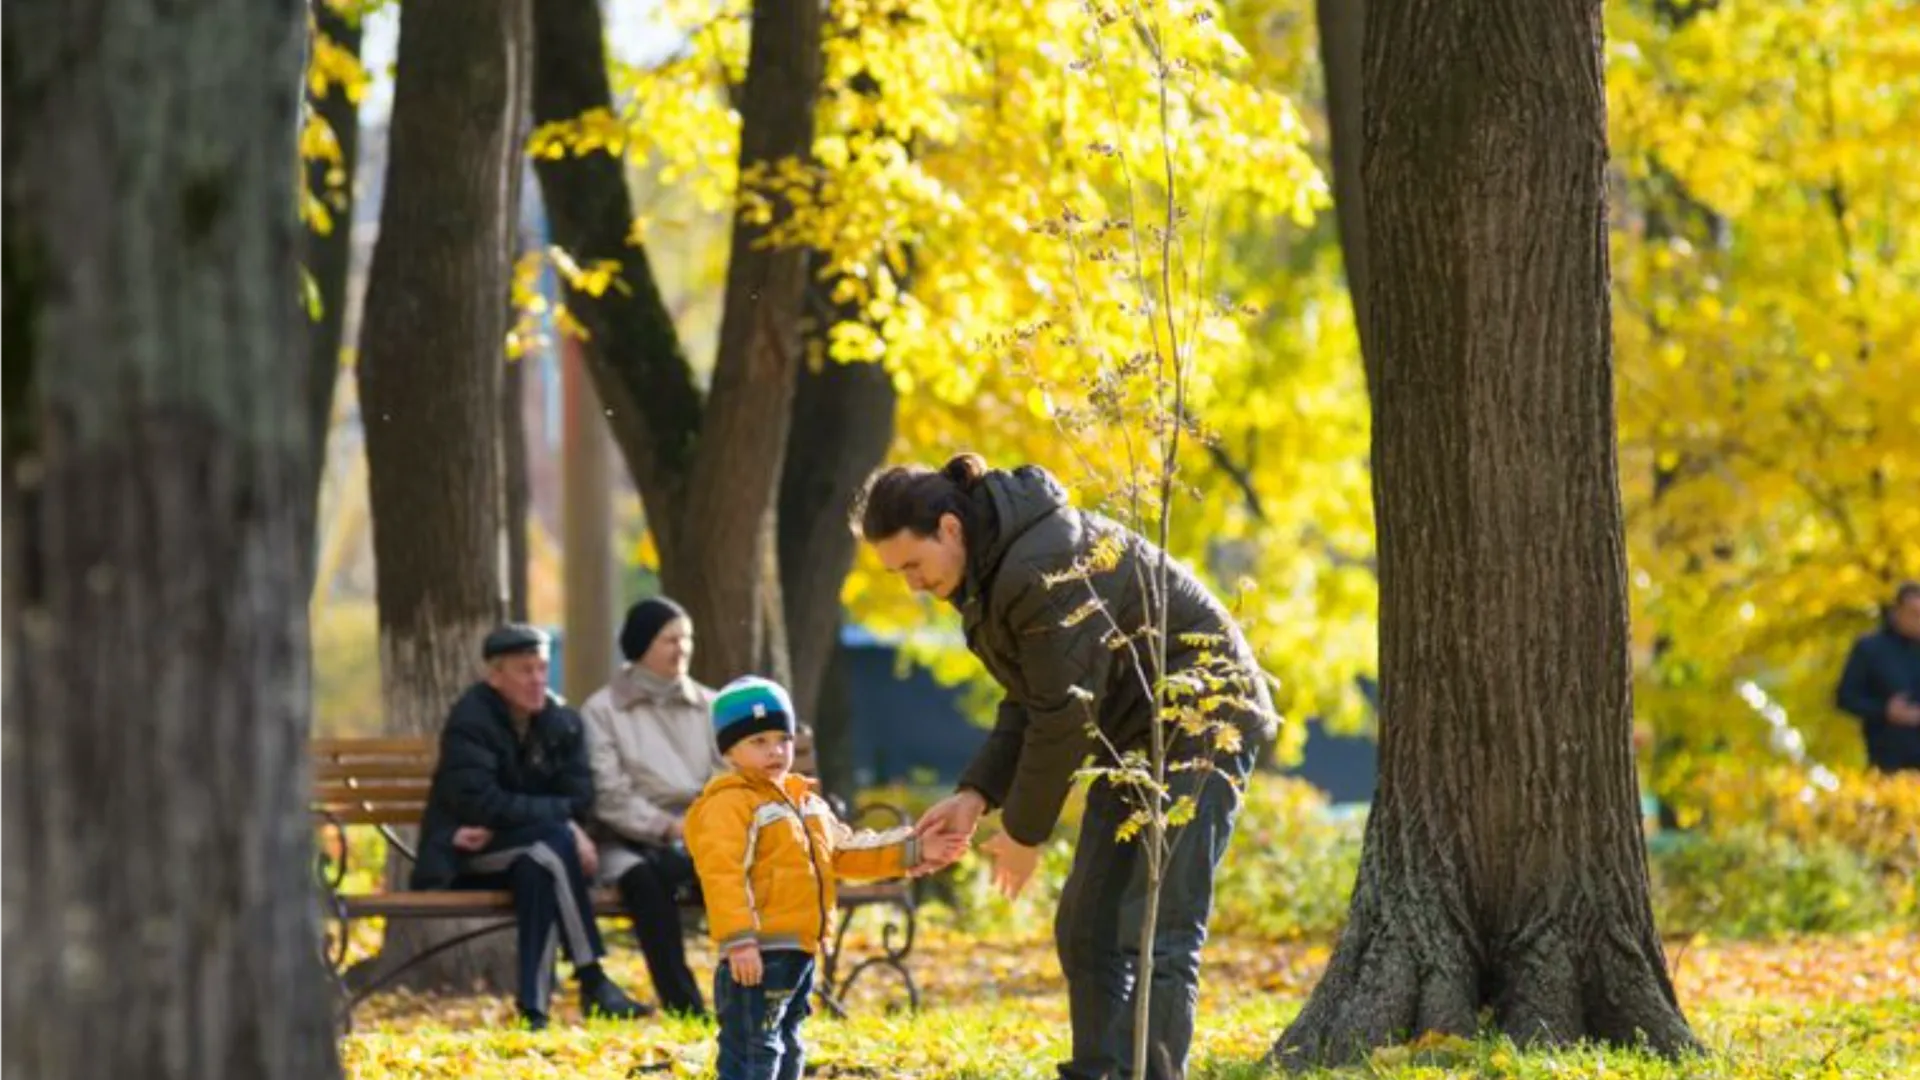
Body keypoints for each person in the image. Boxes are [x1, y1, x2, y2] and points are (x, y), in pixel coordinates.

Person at [853, 454, 1277, 1080]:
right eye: (898, 574)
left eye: (911, 565)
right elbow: (1033, 697)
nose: (911, 585)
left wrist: (1023, 835)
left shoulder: (1040, 563)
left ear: (949, 528)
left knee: (1157, 922)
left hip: (1204, 720)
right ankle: (1099, 1072)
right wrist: (975, 794)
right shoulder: (988, 573)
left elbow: (1062, 716)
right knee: (1086, 923)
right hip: (1129, 733)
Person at [686, 676, 966, 1080]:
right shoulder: (729, 805)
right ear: (730, 750)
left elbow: (844, 852)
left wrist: (915, 849)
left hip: (800, 948)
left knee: (789, 1041)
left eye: (781, 739)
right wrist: (738, 940)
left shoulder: (807, 803)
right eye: (758, 742)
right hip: (758, 953)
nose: (775, 751)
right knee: (752, 1051)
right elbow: (722, 874)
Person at [410, 623, 648, 1030]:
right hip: (466, 855)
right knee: (555, 841)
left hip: (531, 852)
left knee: (540, 863)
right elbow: (478, 802)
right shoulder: (471, 719)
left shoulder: (561, 722)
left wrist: (549, 822)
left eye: (542, 668)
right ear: (495, 676)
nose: (538, 679)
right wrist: (565, 826)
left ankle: (534, 1010)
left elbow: (580, 798)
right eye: (525, 670)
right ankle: (592, 979)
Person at [581, 597, 720, 1017]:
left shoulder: (712, 706)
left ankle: (762, 993)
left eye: (686, 639)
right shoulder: (602, 711)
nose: (682, 649)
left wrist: (700, 826)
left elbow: (728, 772)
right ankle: (685, 1007)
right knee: (644, 879)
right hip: (624, 840)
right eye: (669, 640)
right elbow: (609, 792)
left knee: (734, 872)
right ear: (641, 644)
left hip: (705, 834)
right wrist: (667, 828)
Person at [1836, 582, 1920, 773]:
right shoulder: (1870, 649)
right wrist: (1884, 711)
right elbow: (1845, 698)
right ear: (1897, 612)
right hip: (1888, 764)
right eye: (1914, 614)